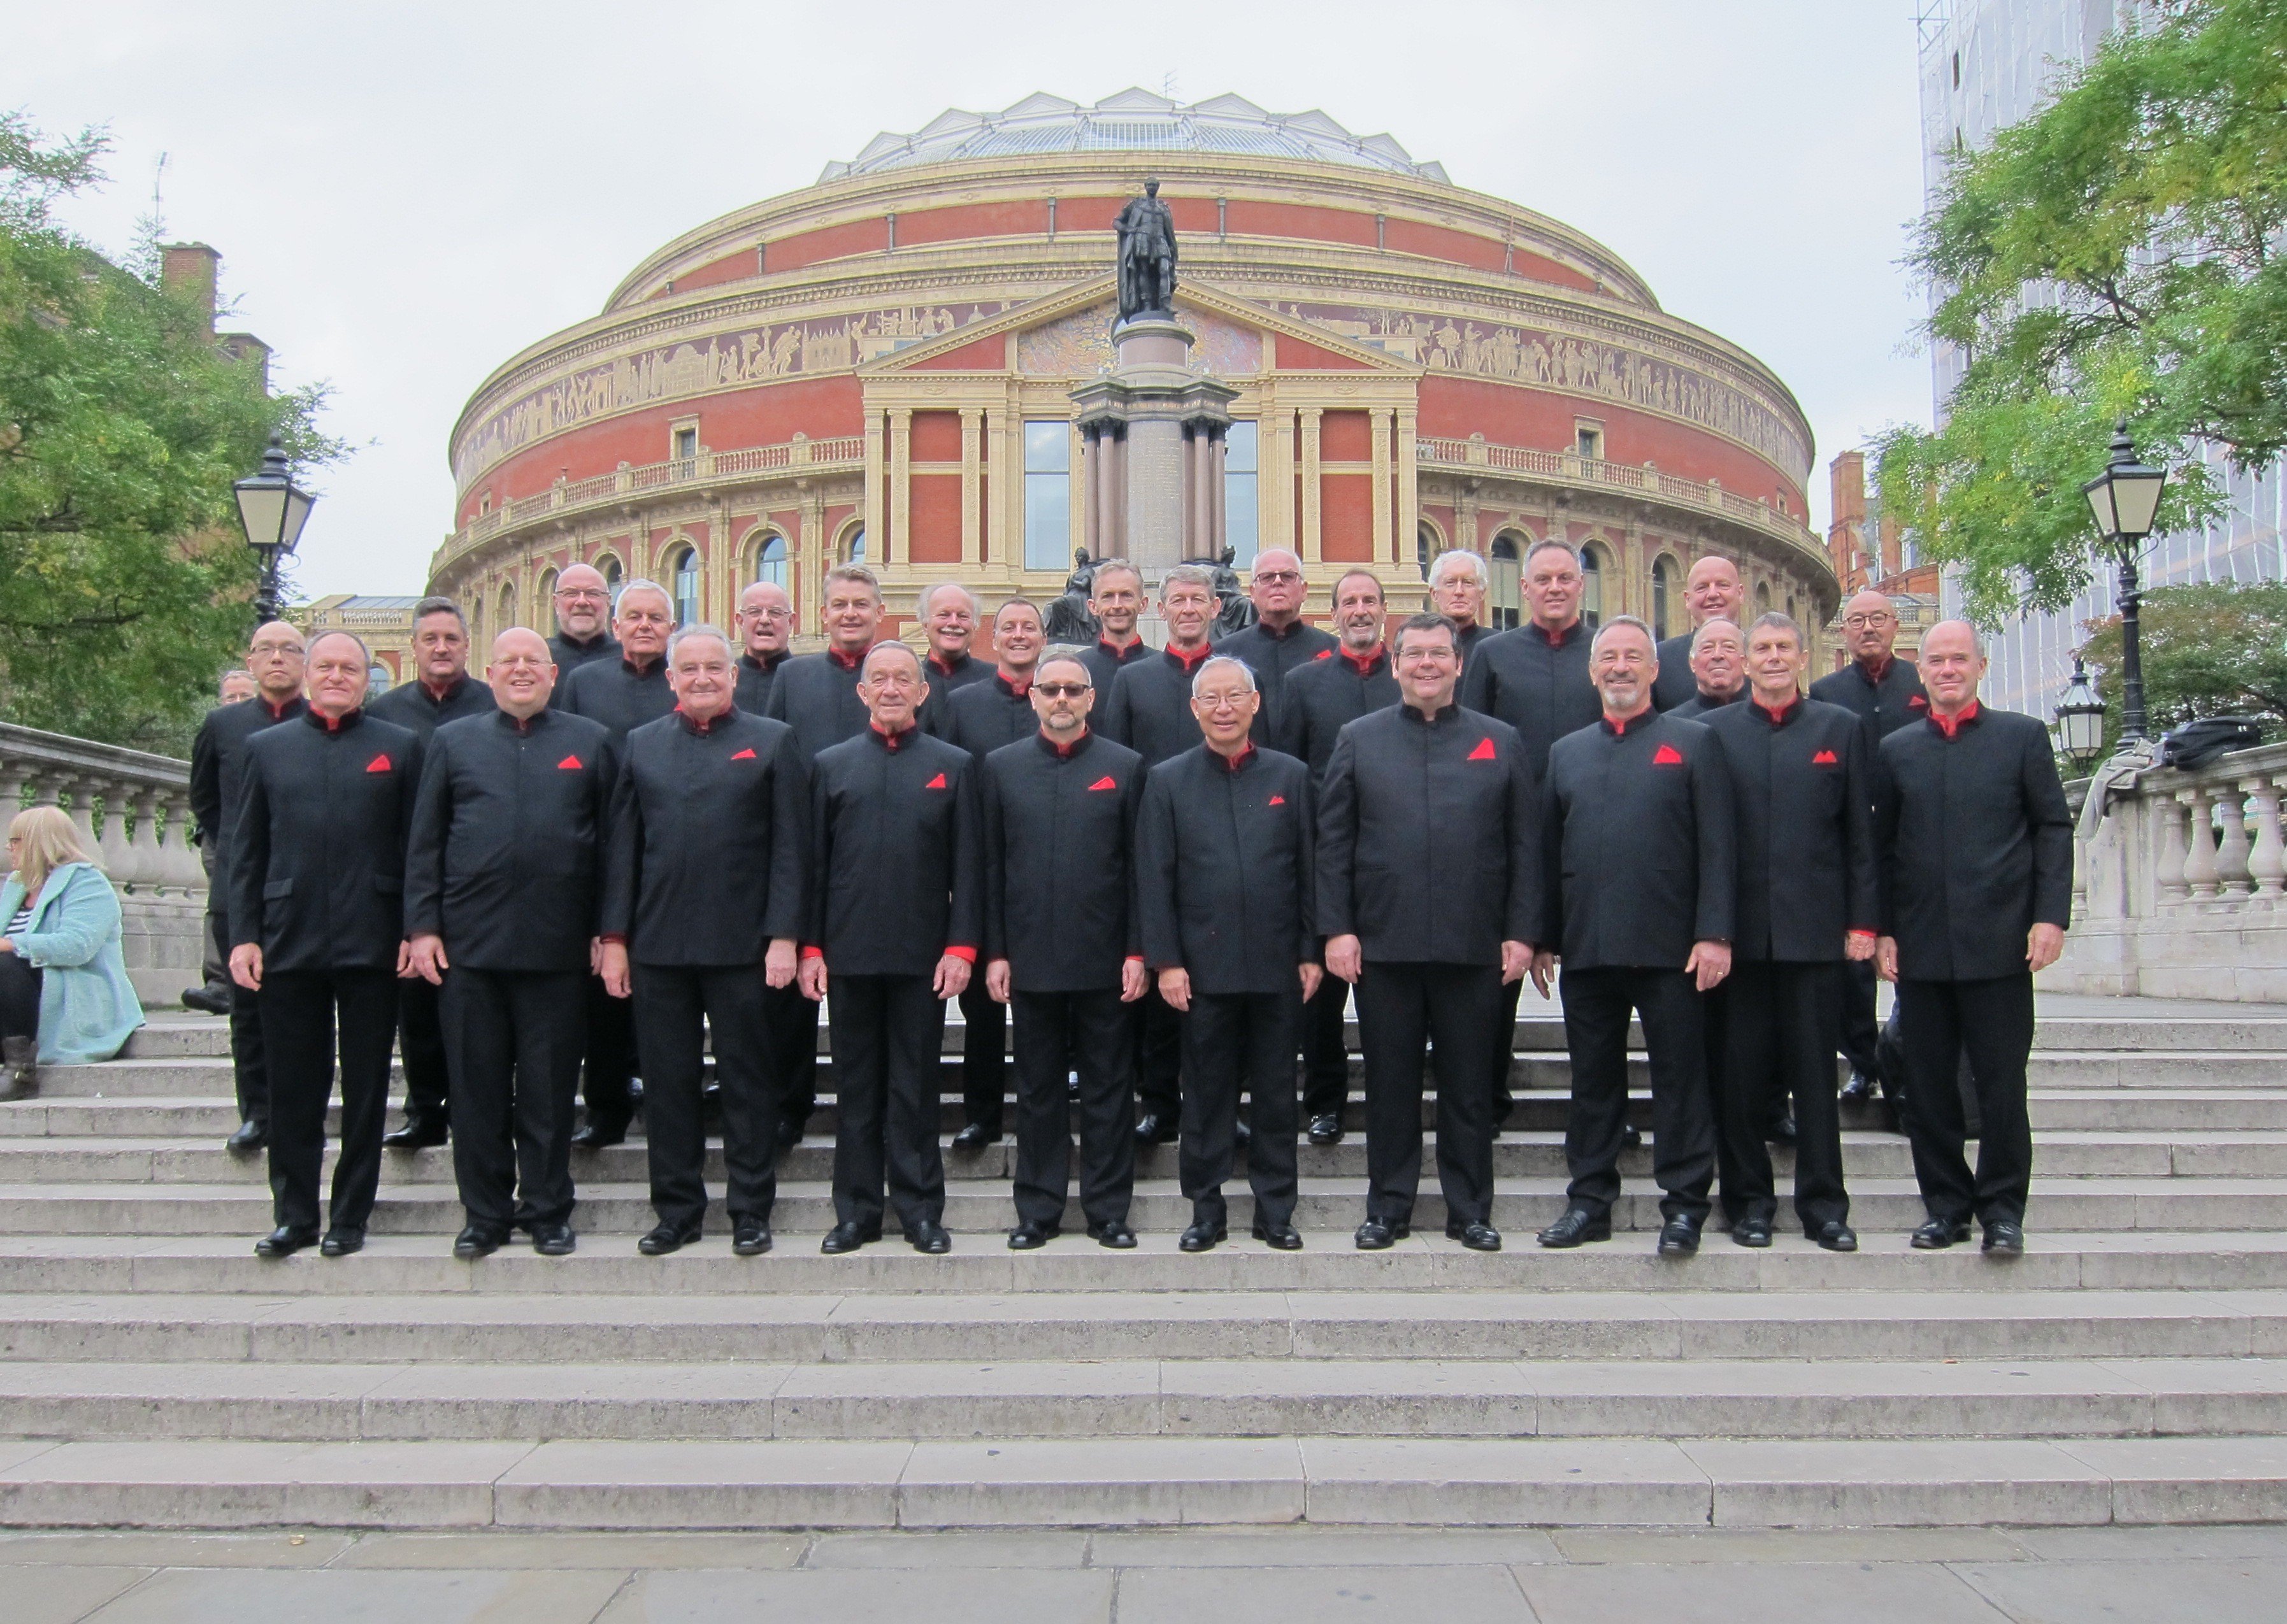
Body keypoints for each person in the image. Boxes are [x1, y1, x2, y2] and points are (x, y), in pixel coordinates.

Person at [1318, 613, 1540, 1252]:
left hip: (1474, 946)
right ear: (1395, 665)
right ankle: (1387, 1207)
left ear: (1457, 663)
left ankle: (1469, 1209)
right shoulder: (1356, 739)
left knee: (1468, 1087)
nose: (1425, 664)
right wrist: (1336, 929)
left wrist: (1522, 933)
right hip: (1383, 945)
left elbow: (1523, 845)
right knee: (1389, 1087)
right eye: (1413, 654)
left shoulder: (1500, 741)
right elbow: (1333, 845)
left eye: (1437, 654)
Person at [404, 629, 615, 1259]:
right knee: (476, 1089)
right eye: (509, 663)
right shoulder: (452, 742)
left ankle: (548, 1209)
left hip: (558, 950)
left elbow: (613, 848)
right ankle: (484, 1214)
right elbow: (424, 844)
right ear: (489, 675)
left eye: (533, 662)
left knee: (550, 1092)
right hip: (469, 950)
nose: (521, 671)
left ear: (553, 675)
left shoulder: (590, 742)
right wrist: (421, 928)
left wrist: (609, 932)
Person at [599, 624, 809, 1258]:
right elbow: (622, 853)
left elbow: (790, 850)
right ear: (671, 679)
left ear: (732, 675)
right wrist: (614, 938)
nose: (701, 679)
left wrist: (783, 936)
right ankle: (677, 1210)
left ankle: (749, 1209)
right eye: (687, 669)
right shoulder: (640, 746)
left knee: (747, 1084)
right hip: (658, 947)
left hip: (743, 946)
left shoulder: (772, 742)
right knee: (668, 1086)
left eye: (713, 668)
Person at [1534, 616, 1732, 1257]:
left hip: (1673, 949)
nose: (1619, 668)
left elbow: (1718, 849)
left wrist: (1713, 934)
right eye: (1608, 658)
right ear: (1592, 672)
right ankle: (1588, 1201)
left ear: (1653, 670)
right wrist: (1539, 937)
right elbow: (1544, 852)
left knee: (1679, 1079)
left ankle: (1683, 1207)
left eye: (1631, 657)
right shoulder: (1565, 753)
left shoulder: (1694, 742)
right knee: (1592, 1082)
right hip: (1588, 947)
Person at [1875, 620, 2072, 1257]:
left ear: (1978, 668)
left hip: (2000, 945)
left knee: (1999, 1087)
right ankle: (1945, 1208)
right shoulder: (1896, 750)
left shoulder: (2021, 738)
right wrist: (1880, 931)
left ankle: (2002, 1211)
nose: (1947, 669)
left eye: (1958, 659)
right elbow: (1878, 851)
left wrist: (2049, 916)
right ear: (1922, 671)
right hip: (1921, 947)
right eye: (1935, 660)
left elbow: (2051, 829)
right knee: (1927, 1091)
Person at [228, 630, 422, 1260]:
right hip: (289, 939)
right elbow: (246, 849)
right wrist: (245, 936)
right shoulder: (267, 748)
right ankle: (294, 1215)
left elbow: (417, 850)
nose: (338, 676)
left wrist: (414, 928)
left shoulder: (399, 747)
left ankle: (349, 1215)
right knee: (294, 1088)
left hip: (374, 937)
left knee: (366, 1089)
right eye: (327, 666)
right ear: (308, 674)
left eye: (350, 667)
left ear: (367, 678)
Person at [1702, 614, 1877, 1251]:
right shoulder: (1710, 734)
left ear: (1803, 657)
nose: (1772, 658)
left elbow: (1861, 838)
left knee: (1814, 1079)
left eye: (1782, 648)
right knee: (1740, 1077)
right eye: (1761, 649)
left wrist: (1862, 922)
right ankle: (1747, 1204)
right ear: (1744, 663)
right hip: (1737, 941)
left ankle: (1824, 1208)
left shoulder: (1841, 730)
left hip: (1814, 936)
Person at [801, 642, 982, 1255]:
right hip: (849, 954)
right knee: (856, 1089)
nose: (890, 689)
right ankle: (856, 1212)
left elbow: (970, 867)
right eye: (878, 679)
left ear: (922, 691)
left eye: (903, 678)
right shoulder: (830, 765)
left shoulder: (954, 765)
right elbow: (814, 869)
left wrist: (961, 947)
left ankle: (919, 1209)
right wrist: (812, 949)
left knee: (915, 1087)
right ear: (863, 692)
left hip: (923, 956)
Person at [1140, 657, 1316, 1252]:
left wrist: (1311, 950)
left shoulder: (1291, 777)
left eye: (1234, 696)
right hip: (1200, 972)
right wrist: (1166, 961)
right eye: (1210, 699)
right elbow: (1155, 878)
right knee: (1207, 1094)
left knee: (1274, 1093)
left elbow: (1310, 871)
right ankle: (1206, 1208)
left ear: (1254, 703)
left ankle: (1275, 1210)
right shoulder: (1167, 780)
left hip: (1277, 967)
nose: (1223, 708)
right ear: (1194, 709)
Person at [979, 647, 1149, 1250]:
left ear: (1091, 699)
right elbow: (989, 869)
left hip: (1106, 961)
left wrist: (1137, 950)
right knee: (1038, 1090)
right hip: (1029, 959)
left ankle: (1107, 1211)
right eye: (1050, 690)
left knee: (1108, 1089)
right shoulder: (999, 768)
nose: (1060, 700)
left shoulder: (1126, 767)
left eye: (1073, 691)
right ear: (1033, 698)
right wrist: (994, 952)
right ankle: (1039, 1210)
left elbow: (1140, 869)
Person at [1458, 538, 1605, 1132]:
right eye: (1541, 579)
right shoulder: (1493, 656)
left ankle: (1602, 1107)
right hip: (1511, 839)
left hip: (1593, 836)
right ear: (1523, 589)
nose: (1553, 588)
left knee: (1597, 978)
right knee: (1500, 977)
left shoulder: (1606, 652)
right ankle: (1489, 1094)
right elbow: (1468, 740)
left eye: (1564, 578)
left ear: (1580, 585)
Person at [368, 597, 497, 1153]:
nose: (442, 648)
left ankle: (489, 1107)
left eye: (451, 638)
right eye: (430, 640)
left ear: (468, 646)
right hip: (407, 874)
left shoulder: (495, 705)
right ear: (415, 647)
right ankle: (426, 1110)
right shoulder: (384, 714)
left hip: (480, 877)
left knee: (479, 1006)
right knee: (416, 1002)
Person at [764, 563, 886, 1146]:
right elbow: (776, 762)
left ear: (879, 614)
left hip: (877, 858)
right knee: (793, 994)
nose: (850, 613)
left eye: (861, 604)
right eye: (839, 604)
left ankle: (886, 1107)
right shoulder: (793, 678)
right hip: (808, 852)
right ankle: (791, 1104)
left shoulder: (900, 676)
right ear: (823, 614)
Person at [1277, 570, 1398, 1146]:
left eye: (1369, 601)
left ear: (1383, 610)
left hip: (1392, 862)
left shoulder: (1411, 677)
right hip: (1323, 858)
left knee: (1386, 998)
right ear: (1334, 612)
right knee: (1320, 996)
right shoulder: (1304, 683)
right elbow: (1291, 770)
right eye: (1348, 602)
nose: (1359, 610)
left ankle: (1388, 1099)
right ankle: (1324, 1101)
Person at [1103, 564, 1222, 1146]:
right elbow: (1119, 768)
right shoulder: (1135, 681)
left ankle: (1220, 1101)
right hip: (1152, 848)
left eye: (1199, 599)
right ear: (1163, 609)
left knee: (1218, 985)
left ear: (1216, 608)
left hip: (1223, 850)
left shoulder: (1235, 678)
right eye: (1179, 600)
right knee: (1156, 981)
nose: (1189, 609)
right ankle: (1159, 1102)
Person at [557, 579, 677, 1151]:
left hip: (671, 852)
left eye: (656, 617)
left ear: (671, 628)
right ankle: (605, 1106)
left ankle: (664, 1098)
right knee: (605, 987)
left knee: (664, 989)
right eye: (635, 616)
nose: (645, 626)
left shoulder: (685, 681)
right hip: (603, 845)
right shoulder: (584, 682)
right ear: (618, 624)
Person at [187, 621, 307, 1151]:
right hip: (241, 888)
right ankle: (257, 1111)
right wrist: (239, 848)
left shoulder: (325, 721)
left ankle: (305, 1105)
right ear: (251, 660)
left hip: (307, 885)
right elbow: (207, 801)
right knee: (248, 1009)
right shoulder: (222, 725)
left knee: (305, 1008)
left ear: (303, 661)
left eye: (289, 650)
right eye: (267, 650)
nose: (278, 658)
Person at [933, 598, 1047, 1151]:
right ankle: (982, 1112)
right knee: (982, 1002)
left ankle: (1041, 1104)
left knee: (1044, 997)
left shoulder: (1061, 698)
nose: (1019, 635)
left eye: (1029, 627)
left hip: (1044, 870)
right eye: (1009, 628)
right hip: (978, 867)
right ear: (993, 639)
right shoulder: (959, 703)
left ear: (1044, 639)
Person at [1811, 590, 1932, 1105]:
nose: (1867, 629)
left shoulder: (1921, 684)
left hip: (1914, 842)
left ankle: (1908, 1059)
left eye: (1878, 619)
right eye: (1857, 620)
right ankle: (1863, 1064)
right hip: (1850, 846)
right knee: (1853, 966)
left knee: (1915, 955)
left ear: (1894, 626)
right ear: (1843, 631)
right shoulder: (1825, 691)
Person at [1, 806, 145, 1097]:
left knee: (5, 963)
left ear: (38, 842)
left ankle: (20, 1070)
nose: (8, 847)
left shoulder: (87, 883)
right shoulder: (16, 886)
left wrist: (15, 944)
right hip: (19, 991)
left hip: (70, 991)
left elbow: (77, 946)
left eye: (15, 840)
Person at [1215, 548, 1336, 744]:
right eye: (1267, 577)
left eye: (1288, 576)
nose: (1277, 582)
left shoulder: (1334, 651)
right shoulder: (1224, 655)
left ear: (1304, 590)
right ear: (1252, 592)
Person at [1653, 556, 1747, 712]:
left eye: (1722, 585)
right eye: (1702, 588)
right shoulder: (1660, 658)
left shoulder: (1763, 654)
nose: (1712, 594)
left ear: (1741, 593)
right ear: (1687, 599)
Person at [1076, 560, 1152, 695]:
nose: (1117, 605)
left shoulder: (1161, 669)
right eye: (1108, 596)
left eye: (1126, 595)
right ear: (1093, 607)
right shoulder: (1075, 669)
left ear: (1143, 604)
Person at [545, 564, 621, 695]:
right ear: (556, 603)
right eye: (571, 593)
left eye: (593, 594)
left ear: (608, 602)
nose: (582, 602)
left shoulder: (627, 658)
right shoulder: (538, 660)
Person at [921, 582, 994, 709]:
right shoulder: (910, 682)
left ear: (975, 626)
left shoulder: (994, 681)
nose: (954, 623)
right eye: (944, 615)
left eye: (963, 616)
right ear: (925, 626)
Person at [732, 580, 796, 713]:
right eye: (755, 612)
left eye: (775, 612)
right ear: (740, 621)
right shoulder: (724, 681)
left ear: (790, 621)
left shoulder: (808, 680)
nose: (765, 620)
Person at [1667, 618, 1747, 718]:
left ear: (1746, 662)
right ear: (1692, 663)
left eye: (1729, 647)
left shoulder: (1767, 722)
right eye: (1707, 648)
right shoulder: (1673, 725)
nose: (1717, 655)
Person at [1427, 549, 1496, 664]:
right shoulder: (1419, 646)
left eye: (1468, 583)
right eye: (1450, 583)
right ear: (1434, 593)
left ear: (1482, 593)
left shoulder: (1498, 646)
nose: (1459, 591)